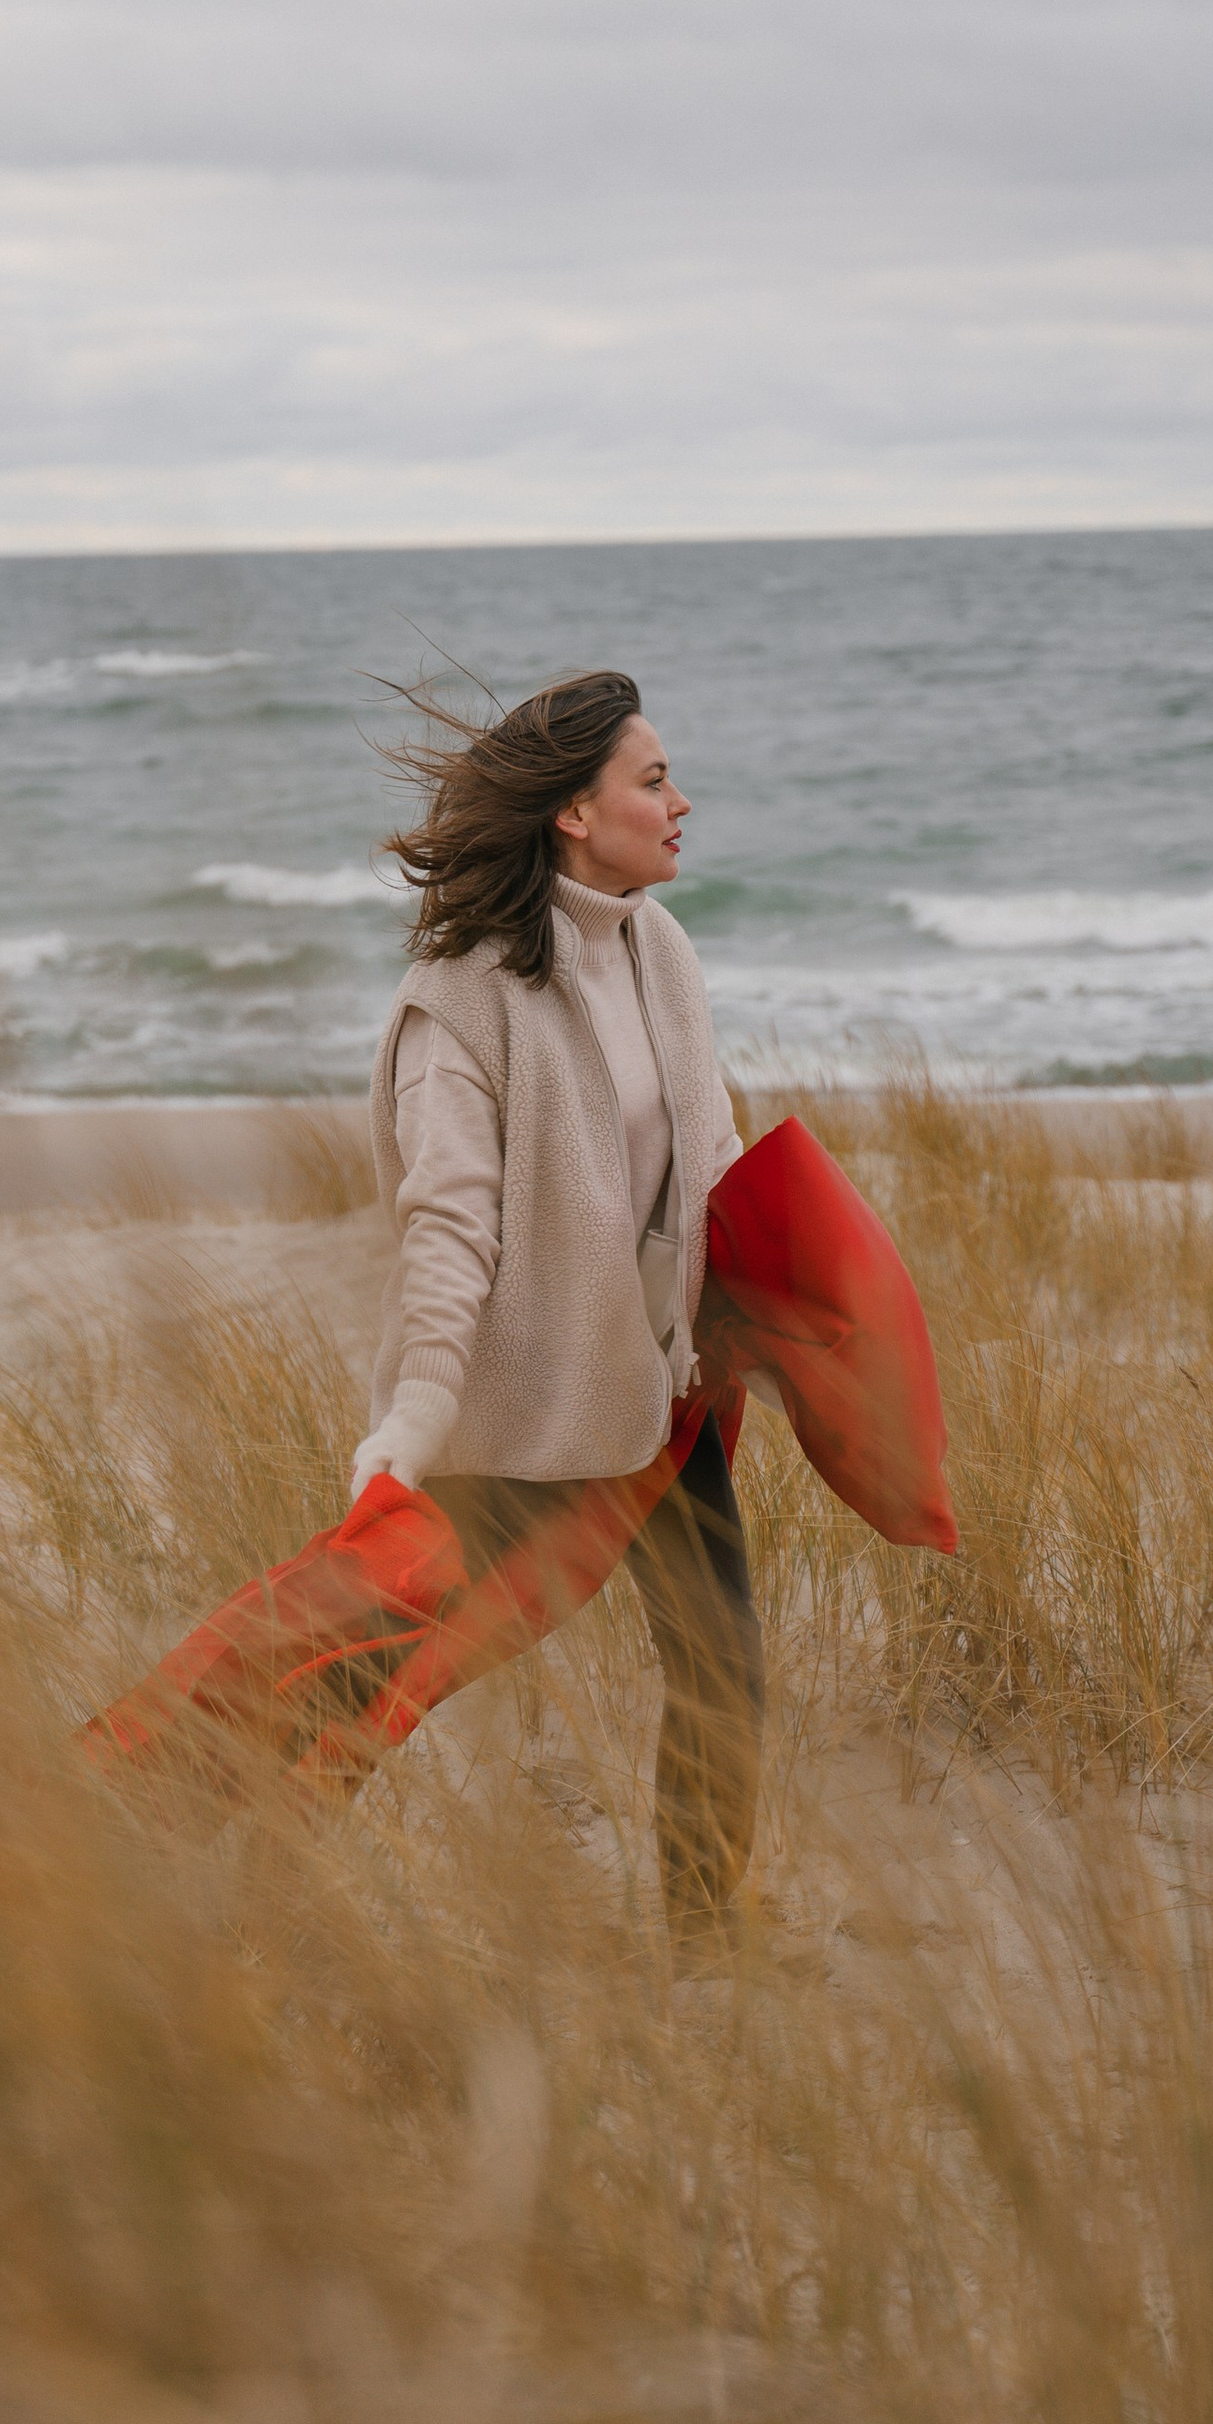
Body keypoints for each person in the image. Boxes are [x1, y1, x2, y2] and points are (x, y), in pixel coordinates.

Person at [354, 669, 764, 1956]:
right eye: (652, 782)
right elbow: (448, 1226)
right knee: (387, 1668)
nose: (680, 801)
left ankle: (704, 1927)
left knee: (719, 1664)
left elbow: (710, 1153)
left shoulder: (659, 949)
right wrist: (413, 1421)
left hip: (661, 1392)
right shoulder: (458, 1006)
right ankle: (233, 1841)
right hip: (528, 1412)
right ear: (574, 814)